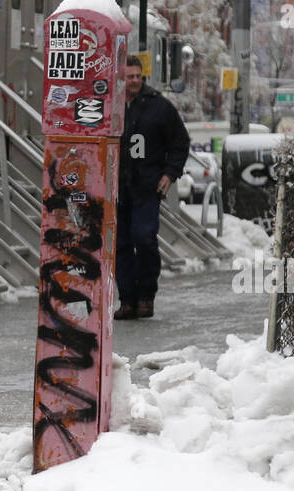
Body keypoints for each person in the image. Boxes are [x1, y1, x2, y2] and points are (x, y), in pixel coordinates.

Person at [115, 56, 189, 320]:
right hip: (116, 189)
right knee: (120, 244)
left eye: (137, 76)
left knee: (144, 238)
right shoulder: (109, 106)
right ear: (121, 78)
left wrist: (170, 174)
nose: (134, 81)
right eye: (129, 76)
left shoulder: (160, 107)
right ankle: (127, 300)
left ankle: (146, 297)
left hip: (147, 187)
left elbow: (180, 143)